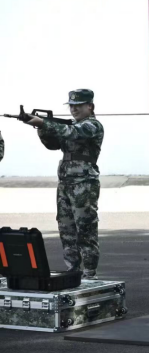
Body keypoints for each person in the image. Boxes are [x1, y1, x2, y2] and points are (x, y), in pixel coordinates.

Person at [24, 89, 104, 280]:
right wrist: (41, 128)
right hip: (65, 183)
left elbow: (73, 133)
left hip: (84, 183)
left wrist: (44, 122)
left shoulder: (92, 126)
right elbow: (52, 144)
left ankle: (89, 272)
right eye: (72, 106)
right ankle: (72, 269)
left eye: (78, 106)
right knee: (66, 228)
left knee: (85, 228)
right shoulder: (71, 125)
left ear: (90, 106)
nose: (74, 109)